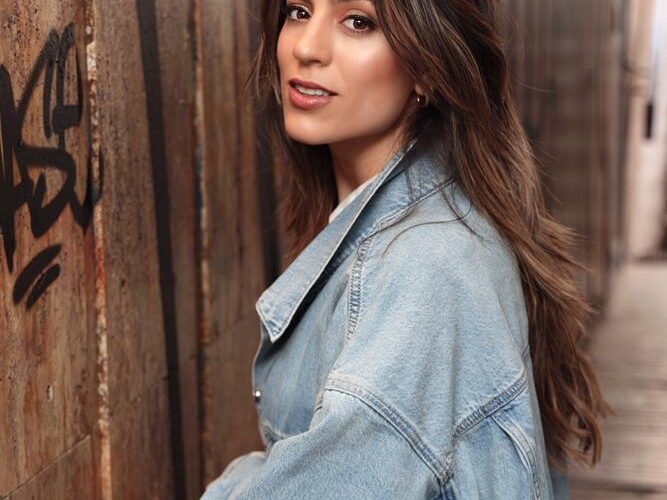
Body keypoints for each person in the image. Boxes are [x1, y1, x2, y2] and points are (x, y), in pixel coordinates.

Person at [201, 0, 613, 498]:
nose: (306, 47)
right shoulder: (422, 223)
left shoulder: (427, 265)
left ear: (428, 67)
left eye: (358, 22)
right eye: (299, 11)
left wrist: (239, 480)